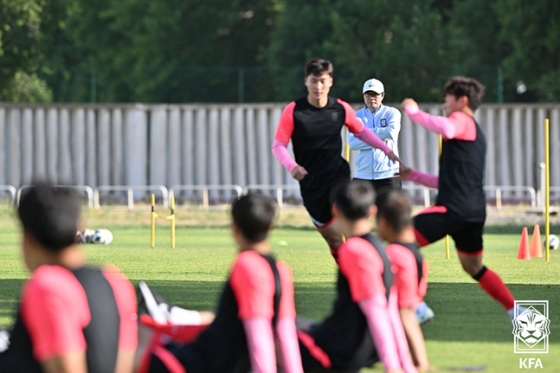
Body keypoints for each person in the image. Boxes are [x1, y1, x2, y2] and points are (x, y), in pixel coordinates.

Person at [136, 193, 303, 373]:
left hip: (203, 362)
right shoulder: (281, 269)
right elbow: (285, 333)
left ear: (235, 228)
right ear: (270, 227)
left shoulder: (247, 265)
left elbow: (259, 333)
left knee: (132, 346)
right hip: (215, 358)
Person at [400, 76, 517, 318]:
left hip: (453, 210)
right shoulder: (475, 133)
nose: (444, 106)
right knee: (474, 267)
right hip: (473, 211)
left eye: (447, 100)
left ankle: (418, 305)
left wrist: (413, 112)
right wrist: (414, 175)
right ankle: (516, 311)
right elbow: (448, 183)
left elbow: (446, 127)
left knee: (401, 241)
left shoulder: (461, 120)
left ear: (461, 100)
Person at [0, 182, 138, 373]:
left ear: (27, 239)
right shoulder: (115, 281)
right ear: (79, 228)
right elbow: (124, 365)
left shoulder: (48, 285)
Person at [272, 58, 401, 258]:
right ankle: (350, 273)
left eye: (323, 81)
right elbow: (278, 145)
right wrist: (291, 166)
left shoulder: (341, 108)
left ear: (330, 81)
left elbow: (362, 133)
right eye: (314, 81)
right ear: (306, 81)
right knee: (333, 239)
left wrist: (386, 149)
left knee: (355, 228)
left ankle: (375, 266)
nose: (318, 86)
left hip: (338, 177)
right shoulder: (294, 110)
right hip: (311, 184)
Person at [296, 180, 416, 373]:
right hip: (344, 344)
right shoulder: (380, 248)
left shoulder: (354, 250)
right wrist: (406, 365)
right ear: (372, 210)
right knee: (295, 323)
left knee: (271, 333)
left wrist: (392, 367)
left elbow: (376, 308)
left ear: (335, 209)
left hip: (335, 351)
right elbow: (391, 309)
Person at [375, 190, 431, 372]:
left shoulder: (393, 253)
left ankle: (419, 363)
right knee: (409, 313)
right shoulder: (411, 246)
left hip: (404, 260)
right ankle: (419, 361)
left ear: (383, 223)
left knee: (404, 314)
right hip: (416, 258)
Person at [348, 78, 402, 193]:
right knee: (358, 211)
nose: (371, 98)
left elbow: (391, 133)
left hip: (389, 175)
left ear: (382, 95)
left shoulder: (392, 113)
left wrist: (363, 134)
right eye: (368, 94)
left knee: (391, 211)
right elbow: (352, 143)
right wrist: (380, 138)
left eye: (375, 94)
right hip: (362, 175)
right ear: (363, 96)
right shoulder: (355, 116)